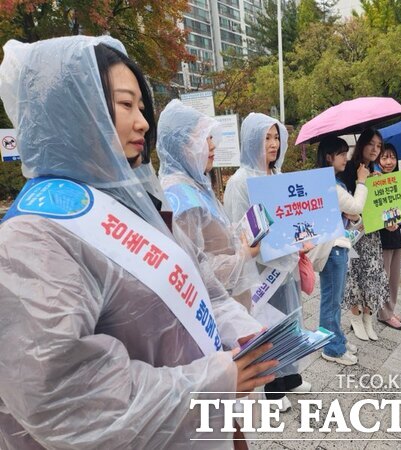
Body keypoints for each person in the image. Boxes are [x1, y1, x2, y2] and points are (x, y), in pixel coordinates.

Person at [0, 36, 277, 449]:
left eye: (142, 108)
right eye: (126, 104)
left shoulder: (131, 201)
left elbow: (199, 284)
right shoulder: (32, 237)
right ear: (74, 111)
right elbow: (66, 399)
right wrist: (213, 382)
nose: (143, 122)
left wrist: (242, 332)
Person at [223, 112, 311, 412]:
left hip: (285, 266)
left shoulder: (277, 176)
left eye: (277, 137)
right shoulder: (240, 182)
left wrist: (302, 239)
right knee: (268, 327)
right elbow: (238, 234)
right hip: (260, 271)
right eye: (266, 138)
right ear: (251, 141)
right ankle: (271, 388)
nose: (273, 144)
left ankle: (289, 376)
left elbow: (294, 217)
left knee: (291, 321)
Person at [156, 100, 260, 309]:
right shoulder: (182, 198)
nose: (212, 145)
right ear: (181, 145)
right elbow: (195, 272)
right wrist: (244, 254)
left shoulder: (195, 184)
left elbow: (213, 237)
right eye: (203, 137)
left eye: (211, 137)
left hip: (230, 305)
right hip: (219, 314)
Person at [310, 136, 368, 365]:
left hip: (338, 248)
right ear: (328, 157)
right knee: (331, 301)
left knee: (334, 299)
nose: (346, 158)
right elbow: (355, 207)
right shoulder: (330, 185)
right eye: (341, 153)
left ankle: (338, 339)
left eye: (346, 153)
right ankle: (331, 348)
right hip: (333, 250)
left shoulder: (331, 183)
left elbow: (351, 214)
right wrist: (362, 181)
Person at [339, 129, 390, 341]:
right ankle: (355, 317)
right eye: (371, 144)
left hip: (371, 234)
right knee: (352, 277)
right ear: (362, 144)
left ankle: (369, 317)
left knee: (373, 275)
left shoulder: (375, 172)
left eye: (379, 146)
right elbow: (343, 202)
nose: (375, 149)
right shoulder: (348, 169)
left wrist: (375, 184)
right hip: (352, 235)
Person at [376, 143, 401, 330]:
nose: (389, 162)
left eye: (392, 157)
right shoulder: (375, 180)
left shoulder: (399, 180)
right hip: (382, 237)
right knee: (383, 277)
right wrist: (385, 223)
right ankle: (384, 314)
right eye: (384, 157)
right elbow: (370, 211)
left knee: (394, 277)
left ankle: (390, 308)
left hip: (397, 236)